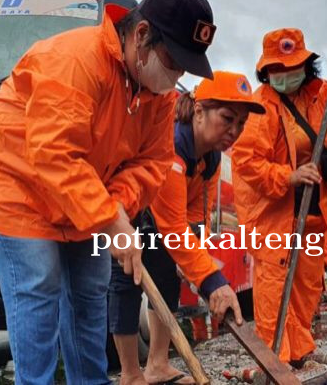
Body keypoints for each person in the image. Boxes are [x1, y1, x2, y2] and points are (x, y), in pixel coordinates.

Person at [0, 0, 217, 383]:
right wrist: (108, 219)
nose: (176, 75)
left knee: (90, 289)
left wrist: (115, 206)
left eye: (185, 65)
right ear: (142, 34)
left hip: (83, 193)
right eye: (173, 60)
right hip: (15, 184)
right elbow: (54, 153)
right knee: (39, 285)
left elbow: (151, 165)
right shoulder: (77, 61)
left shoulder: (160, 96)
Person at [109, 71, 264, 385]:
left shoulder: (211, 158)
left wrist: (198, 256)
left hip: (163, 220)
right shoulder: (173, 146)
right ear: (198, 110)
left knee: (166, 283)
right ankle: (129, 374)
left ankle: (157, 365)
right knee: (126, 283)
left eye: (241, 123)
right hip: (126, 211)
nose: (234, 130)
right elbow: (172, 226)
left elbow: (196, 214)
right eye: (227, 118)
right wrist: (211, 281)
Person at [231, 27, 327, 364]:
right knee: (274, 283)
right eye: (277, 69)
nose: (284, 74)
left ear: (305, 64)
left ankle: (297, 352)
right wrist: (289, 175)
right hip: (273, 213)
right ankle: (275, 360)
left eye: (291, 66)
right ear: (267, 71)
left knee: (307, 284)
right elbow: (247, 162)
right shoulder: (259, 108)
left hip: (313, 208)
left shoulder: (318, 94)